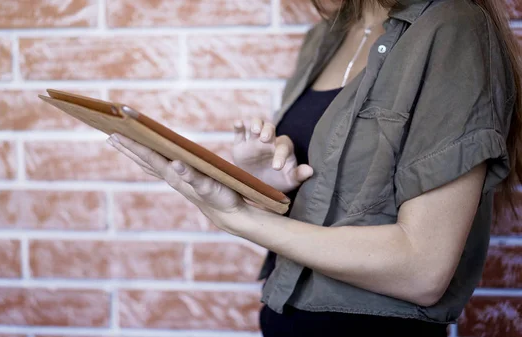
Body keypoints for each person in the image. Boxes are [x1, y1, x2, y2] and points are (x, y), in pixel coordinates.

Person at [106, 0, 522, 336]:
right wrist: (265, 182)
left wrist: (239, 216)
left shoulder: (453, 27)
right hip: (284, 320)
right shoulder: (328, 35)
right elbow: (325, 207)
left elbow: (422, 270)